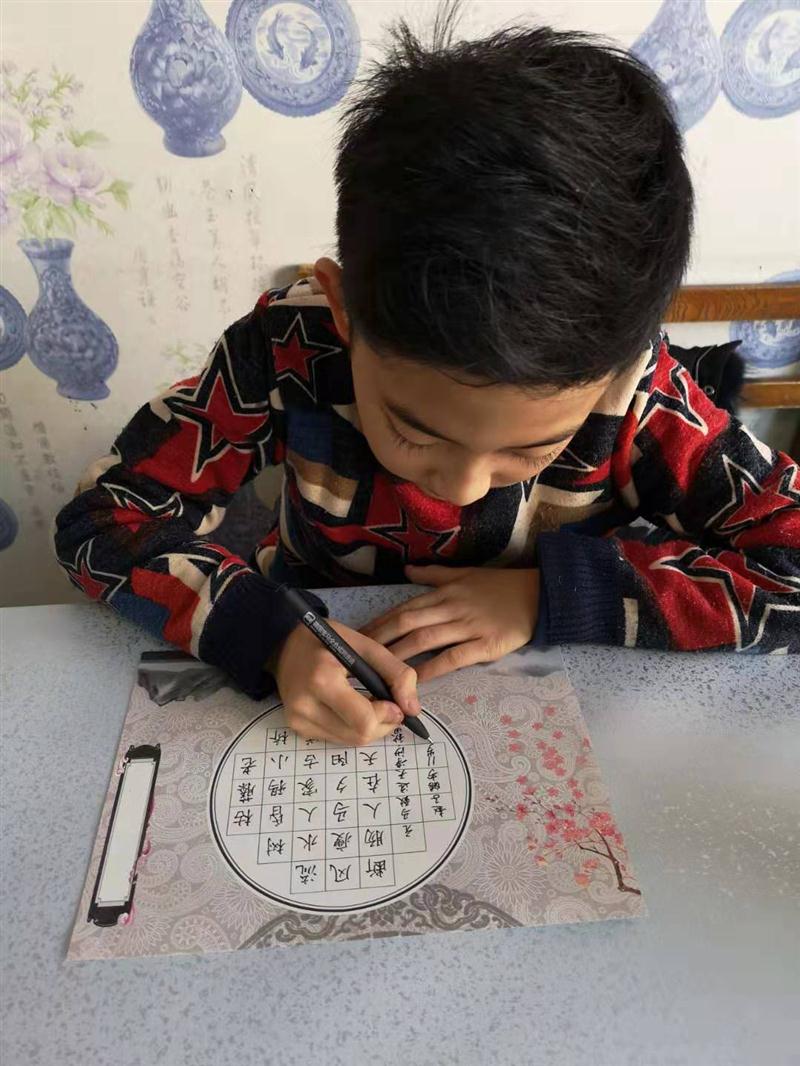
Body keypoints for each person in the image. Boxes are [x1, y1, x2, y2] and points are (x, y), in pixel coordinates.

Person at [54, 8, 800, 746]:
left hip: (566, 699)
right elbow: (104, 519)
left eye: (531, 450)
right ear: (344, 314)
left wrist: (555, 593)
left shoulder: (635, 392)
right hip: (320, 653)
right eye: (414, 431)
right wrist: (270, 636)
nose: (464, 488)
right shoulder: (288, 349)